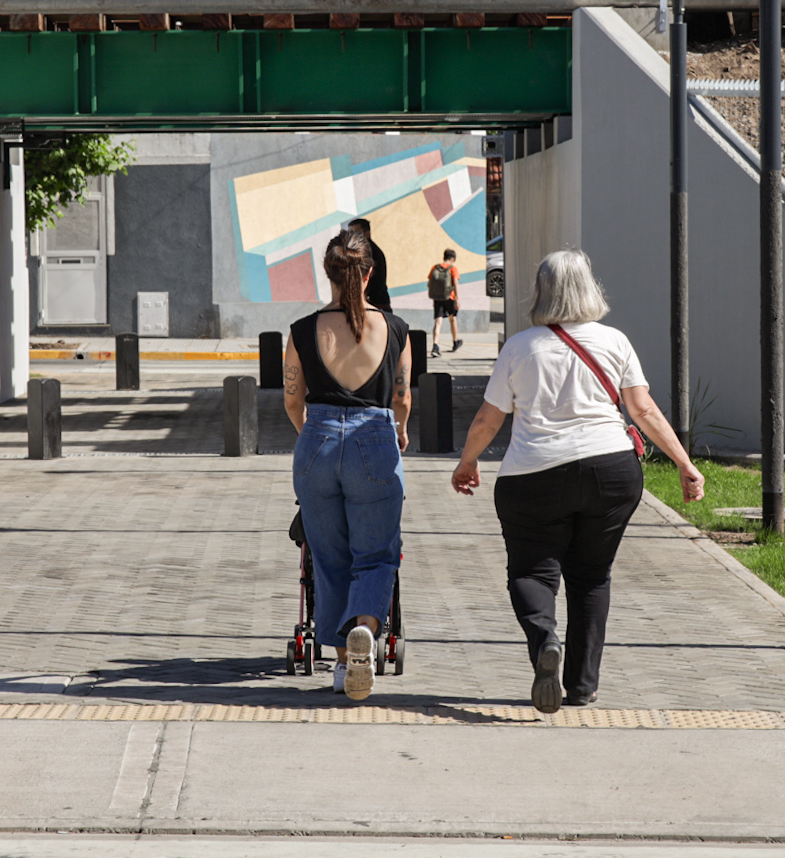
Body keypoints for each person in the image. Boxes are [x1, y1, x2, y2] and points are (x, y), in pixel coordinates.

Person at [450, 249, 705, 714]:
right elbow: (643, 410)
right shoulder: (615, 341)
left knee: (531, 573)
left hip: (533, 475)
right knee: (591, 577)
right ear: (590, 288)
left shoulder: (519, 347)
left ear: (540, 292)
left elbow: (488, 419)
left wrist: (467, 462)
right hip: (610, 472)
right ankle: (582, 685)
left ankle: (545, 640)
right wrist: (685, 463)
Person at [282, 230, 411, 702]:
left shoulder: (302, 330)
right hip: (373, 440)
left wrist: (313, 438)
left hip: (315, 443)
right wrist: (399, 433)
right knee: (376, 554)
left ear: (328, 273)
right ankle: (366, 632)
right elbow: (401, 398)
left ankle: (341, 664)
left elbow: (292, 400)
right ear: (369, 273)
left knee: (328, 558)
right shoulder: (395, 329)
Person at [345, 216, 390, 311]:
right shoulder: (360, 251)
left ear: (367, 233)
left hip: (376, 305)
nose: (352, 237)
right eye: (350, 233)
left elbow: (375, 283)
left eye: (356, 233)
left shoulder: (371, 253)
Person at [426, 248, 462, 354]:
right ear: (453, 259)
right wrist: (457, 298)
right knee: (452, 319)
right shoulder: (453, 268)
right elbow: (455, 283)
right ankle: (455, 342)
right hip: (450, 297)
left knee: (438, 322)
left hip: (438, 298)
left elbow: (429, 284)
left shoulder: (435, 267)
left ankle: (435, 345)